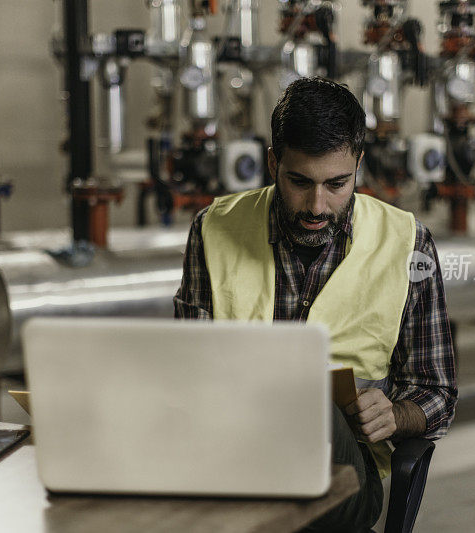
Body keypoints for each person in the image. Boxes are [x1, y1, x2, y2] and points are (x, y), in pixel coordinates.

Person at [174, 76, 457, 531]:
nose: (317, 205)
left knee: (309, 400)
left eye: (337, 184)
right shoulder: (212, 231)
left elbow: (437, 392)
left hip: (343, 472)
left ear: (359, 165)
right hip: (230, 454)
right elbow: (185, 373)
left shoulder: (408, 244)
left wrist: (395, 414)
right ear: (273, 163)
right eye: (300, 182)